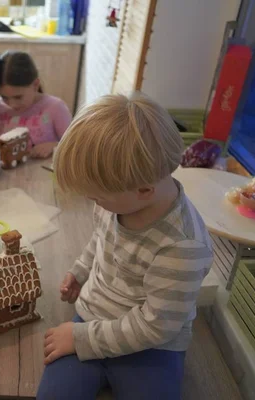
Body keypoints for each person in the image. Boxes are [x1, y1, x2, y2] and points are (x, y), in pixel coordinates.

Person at [38, 92, 213, 400]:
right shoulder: (118, 199)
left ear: (144, 190)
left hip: (152, 344)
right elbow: (102, 236)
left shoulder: (182, 247)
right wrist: (80, 270)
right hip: (93, 316)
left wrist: (82, 338)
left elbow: (156, 326)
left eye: (97, 198)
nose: (95, 204)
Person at [0, 51, 72, 159]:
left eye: (18, 97)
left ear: (35, 85)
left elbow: (75, 146)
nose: (11, 105)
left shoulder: (56, 108)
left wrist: (54, 146)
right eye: (4, 97)